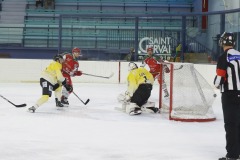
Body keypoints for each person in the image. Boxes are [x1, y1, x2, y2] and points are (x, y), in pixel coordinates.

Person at [214, 32, 240, 160]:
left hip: (230, 95)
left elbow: (218, 80)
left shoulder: (223, 57)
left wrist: (216, 83)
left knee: (231, 124)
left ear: (222, 42)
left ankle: (232, 155)